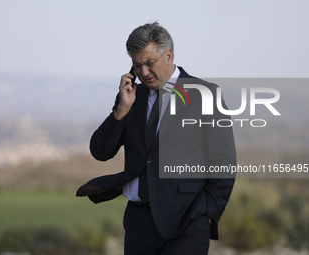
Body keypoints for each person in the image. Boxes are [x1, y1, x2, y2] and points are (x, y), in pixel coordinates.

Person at [77, 22, 236, 255]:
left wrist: (207, 214)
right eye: (136, 65)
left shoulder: (206, 95)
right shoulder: (131, 96)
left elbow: (224, 162)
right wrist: (120, 111)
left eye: (149, 63)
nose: (143, 73)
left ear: (168, 54)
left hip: (187, 223)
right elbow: (101, 152)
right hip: (138, 222)